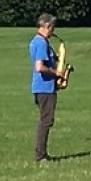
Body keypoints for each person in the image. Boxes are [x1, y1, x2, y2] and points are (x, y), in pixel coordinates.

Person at [29, 13, 64, 163]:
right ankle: (41, 154)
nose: (53, 32)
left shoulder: (36, 41)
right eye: (52, 28)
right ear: (47, 26)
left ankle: (42, 153)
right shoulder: (41, 43)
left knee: (46, 119)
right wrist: (56, 72)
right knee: (46, 120)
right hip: (45, 87)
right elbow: (39, 67)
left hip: (41, 87)